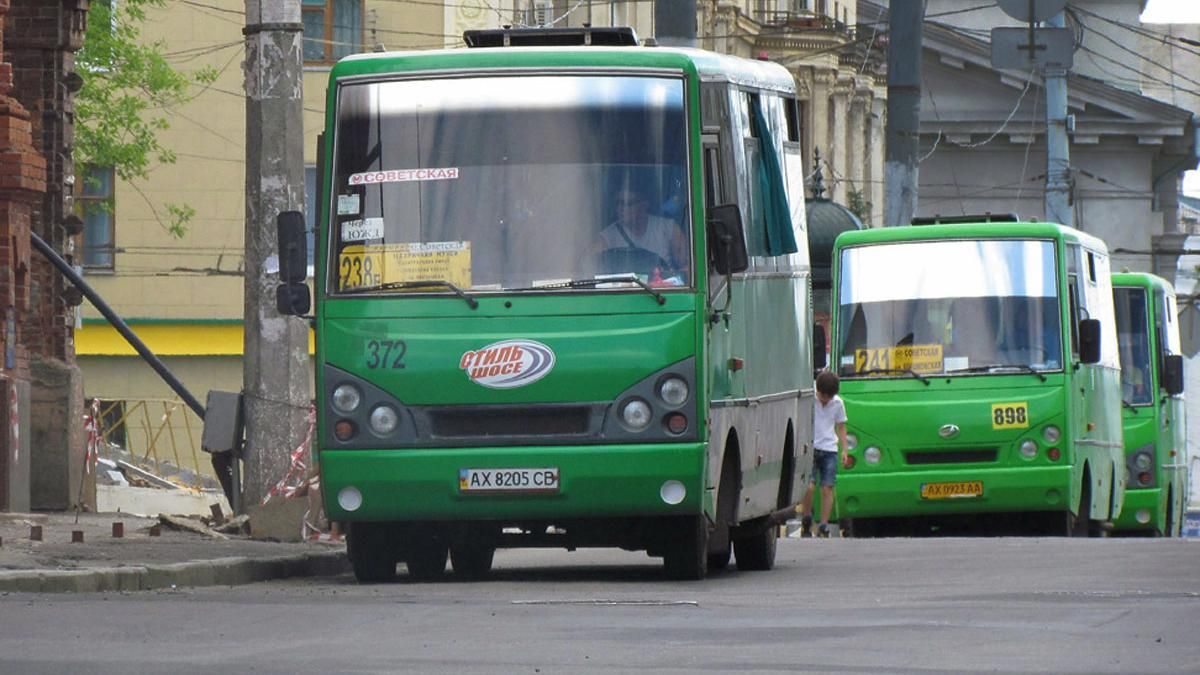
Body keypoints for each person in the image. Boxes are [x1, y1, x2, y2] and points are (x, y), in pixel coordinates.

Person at [592, 188, 688, 276]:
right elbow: (590, 267)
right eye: (618, 203)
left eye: (628, 203)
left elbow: (688, 265)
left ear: (644, 205)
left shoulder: (668, 228)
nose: (621, 208)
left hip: (661, 288)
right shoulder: (606, 237)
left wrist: (672, 277)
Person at [800, 371, 850, 538]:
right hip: (811, 447)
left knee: (827, 487)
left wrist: (844, 449)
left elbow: (841, 426)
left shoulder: (838, 403)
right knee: (809, 486)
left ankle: (823, 524)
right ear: (818, 390)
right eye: (822, 396)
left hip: (829, 448)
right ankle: (807, 518)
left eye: (829, 397)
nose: (825, 400)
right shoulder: (809, 397)